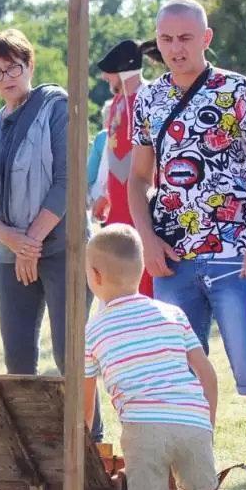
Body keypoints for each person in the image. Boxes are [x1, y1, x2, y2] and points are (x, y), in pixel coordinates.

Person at [126, 0, 246, 490]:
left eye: (185, 38)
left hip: (236, 255)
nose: (175, 49)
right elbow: (138, 179)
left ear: (206, 37)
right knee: (182, 380)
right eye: (166, 40)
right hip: (173, 260)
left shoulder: (240, 90)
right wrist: (147, 240)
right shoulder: (148, 98)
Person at [0, 28, 103, 443]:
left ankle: (91, 442)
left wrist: (31, 243)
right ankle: (29, 445)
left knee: (70, 355)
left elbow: (67, 180)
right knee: (18, 358)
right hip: (10, 252)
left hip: (64, 247)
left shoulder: (57, 107)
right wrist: (9, 238)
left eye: (13, 67)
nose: (6, 77)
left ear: (30, 65)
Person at [84, 223, 219, 490]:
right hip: (192, 423)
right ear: (142, 267)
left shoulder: (93, 330)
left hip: (143, 428)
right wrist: (206, 424)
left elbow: (86, 404)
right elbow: (207, 375)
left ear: (96, 276)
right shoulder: (173, 314)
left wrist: (84, 445)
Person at [93, 38, 163, 298]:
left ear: (123, 69)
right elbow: (112, 152)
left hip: (141, 205)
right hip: (118, 208)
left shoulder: (149, 98)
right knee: (118, 275)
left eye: (109, 71)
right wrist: (104, 192)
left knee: (144, 278)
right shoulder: (117, 103)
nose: (104, 77)